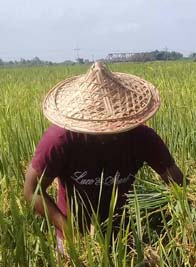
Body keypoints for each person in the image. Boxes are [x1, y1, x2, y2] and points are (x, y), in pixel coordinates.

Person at [23, 61, 186, 249]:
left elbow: (175, 180)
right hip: (75, 237)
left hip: (123, 234)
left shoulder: (142, 138)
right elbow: (32, 189)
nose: (105, 134)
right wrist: (69, 231)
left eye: (113, 127)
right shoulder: (60, 139)